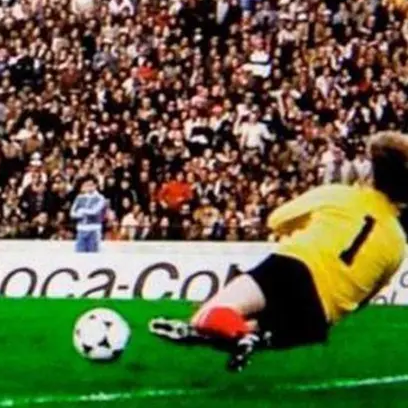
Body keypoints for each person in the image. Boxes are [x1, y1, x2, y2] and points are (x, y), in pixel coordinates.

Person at [150, 131, 408, 372]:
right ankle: (249, 334)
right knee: (254, 328)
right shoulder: (398, 242)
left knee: (210, 317)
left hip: (293, 268)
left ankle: (226, 327)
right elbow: (365, 298)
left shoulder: (339, 196)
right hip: (319, 315)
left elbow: (276, 220)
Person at [70, 177, 107, 253]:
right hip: (81, 229)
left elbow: (94, 211)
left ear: (95, 186)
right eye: (86, 185)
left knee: (93, 255)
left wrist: (82, 210)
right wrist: (80, 214)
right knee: (79, 255)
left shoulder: (100, 198)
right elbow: (72, 213)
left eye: (91, 185)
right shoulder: (79, 197)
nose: (88, 187)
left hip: (94, 229)